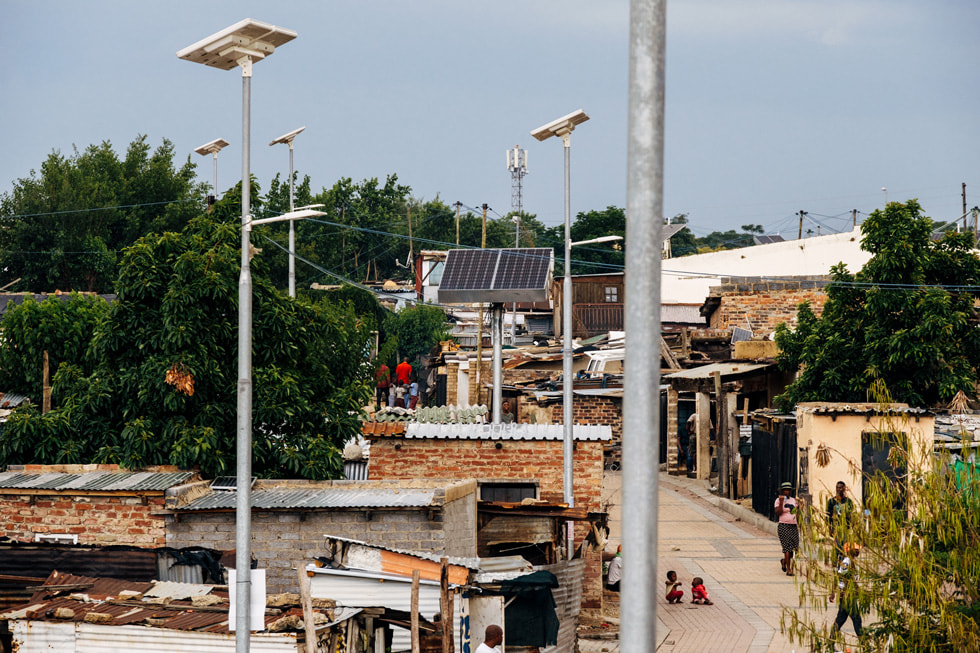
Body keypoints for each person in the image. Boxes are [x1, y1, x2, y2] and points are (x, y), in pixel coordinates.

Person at [829, 543, 863, 637]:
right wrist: (833, 592)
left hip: (847, 595)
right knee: (857, 620)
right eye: (856, 550)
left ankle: (830, 642)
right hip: (847, 596)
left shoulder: (852, 561)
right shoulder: (846, 562)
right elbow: (839, 576)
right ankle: (864, 644)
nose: (858, 551)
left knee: (840, 620)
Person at [775, 481, 800, 575]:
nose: (787, 492)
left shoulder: (793, 500)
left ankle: (784, 561)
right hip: (783, 526)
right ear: (782, 491)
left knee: (793, 548)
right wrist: (781, 502)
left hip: (793, 525)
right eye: (785, 490)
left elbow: (796, 512)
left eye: (788, 490)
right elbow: (778, 512)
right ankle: (789, 569)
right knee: (787, 548)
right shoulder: (778, 500)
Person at [827, 480, 854, 557]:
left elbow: (851, 515)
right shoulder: (832, 501)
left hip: (846, 528)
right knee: (838, 548)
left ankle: (845, 564)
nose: (838, 489)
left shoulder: (848, 501)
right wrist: (830, 528)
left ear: (844, 488)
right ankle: (837, 564)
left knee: (846, 547)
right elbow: (828, 515)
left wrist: (852, 526)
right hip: (837, 528)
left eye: (840, 488)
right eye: (837, 488)